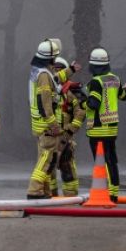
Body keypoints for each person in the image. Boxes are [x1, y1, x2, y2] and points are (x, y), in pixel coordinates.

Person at [84, 47, 126, 202]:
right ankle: (114, 193)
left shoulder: (96, 82)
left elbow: (93, 104)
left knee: (101, 164)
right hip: (112, 128)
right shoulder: (114, 79)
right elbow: (123, 96)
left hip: (98, 130)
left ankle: (108, 195)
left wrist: (80, 101)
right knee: (111, 160)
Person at [26, 39, 64, 199]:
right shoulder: (43, 75)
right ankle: (34, 190)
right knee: (46, 158)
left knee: (47, 158)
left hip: (39, 124)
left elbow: (55, 79)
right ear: (51, 58)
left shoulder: (38, 72)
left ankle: (44, 191)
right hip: (46, 125)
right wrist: (53, 124)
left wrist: (71, 71)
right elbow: (45, 102)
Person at [53, 56, 86, 197]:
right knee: (49, 166)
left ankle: (70, 195)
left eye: (60, 70)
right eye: (55, 70)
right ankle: (50, 195)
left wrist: (72, 129)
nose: (57, 73)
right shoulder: (48, 89)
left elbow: (80, 112)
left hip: (65, 133)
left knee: (66, 164)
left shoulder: (70, 91)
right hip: (50, 133)